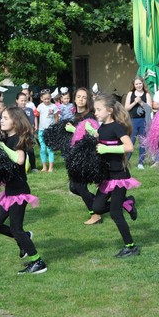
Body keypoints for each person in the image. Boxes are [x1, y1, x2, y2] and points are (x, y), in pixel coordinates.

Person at [0, 107, 46, 274]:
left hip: (19, 192)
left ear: (16, 121)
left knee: (16, 229)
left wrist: (2, 146)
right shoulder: (6, 138)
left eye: (6, 118)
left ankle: (38, 262)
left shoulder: (18, 139)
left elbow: (19, 160)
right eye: (1, 117)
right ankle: (25, 237)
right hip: (9, 191)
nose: (2, 120)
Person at [84, 94, 141, 257]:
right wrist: (92, 134)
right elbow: (101, 141)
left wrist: (107, 149)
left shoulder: (117, 127)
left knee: (115, 213)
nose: (95, 112)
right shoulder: (102, 128)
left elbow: (129, 147)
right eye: (95, 109)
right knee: (97, 207)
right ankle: (127, 203)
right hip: (107, 176)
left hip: (119, 176)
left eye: (98, 109)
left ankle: (131, 247)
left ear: (109, 110)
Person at [65, 87, 100, 223]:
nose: (81, 99)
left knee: (79, 186)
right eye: (78, 97)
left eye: (84, 97)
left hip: (86, 155)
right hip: (76, 154)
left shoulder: (89, 116)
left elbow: (93, 135)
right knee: (73, 188)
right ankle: (101, 204)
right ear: (74, 99)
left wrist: (73, 129)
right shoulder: (75, 114)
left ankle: (95, 214)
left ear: (88, 100)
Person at [124, 76, 152, 169]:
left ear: (143, 83)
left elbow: (149, 109)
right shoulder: (130, 94)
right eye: (136, 84)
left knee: (142, 141)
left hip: (143, 120)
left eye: (140, 83)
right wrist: (135, 102)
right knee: (131, 140)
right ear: (134, 85)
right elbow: (126, 108)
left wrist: (141, 102)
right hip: (132, 121)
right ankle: (126, 161)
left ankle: (140, 163)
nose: (138, 85)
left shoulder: (147, 94)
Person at [36, 89, 59, 172]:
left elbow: (56, 117)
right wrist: (36, 126)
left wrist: (55, 127)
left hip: (50, 131)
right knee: (42, 149)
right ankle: (44, 167)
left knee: (50, 149)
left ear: (51, 98)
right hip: (41, 130)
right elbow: (36, 116)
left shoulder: (54, 106)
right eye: (45, 99)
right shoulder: (40, 106)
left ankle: (51, 167)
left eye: (48, 98)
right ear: (41, 98)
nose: (47, 100)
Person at [15, 92, 37, 172]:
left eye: (25, 100)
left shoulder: (29, 110)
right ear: (17, 100)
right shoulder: (13, 111)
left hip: (28, 134)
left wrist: (31, 131)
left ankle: (33, 167)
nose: (23, 102)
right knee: (18, 151)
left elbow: (31, 122)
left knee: (30, 151)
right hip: (17, 134)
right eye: (21, 100)